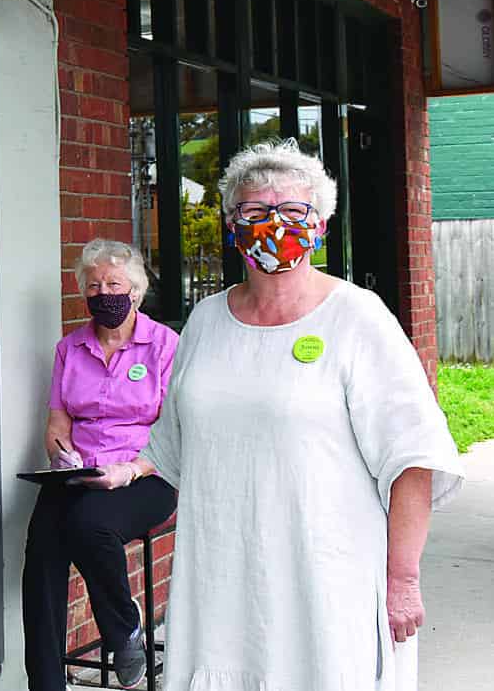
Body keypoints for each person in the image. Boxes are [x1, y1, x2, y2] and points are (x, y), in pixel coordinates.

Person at [141, 139, 463, 691]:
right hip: (221, 580)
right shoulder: (205, 322)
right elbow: (171, 448)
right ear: (230, 223)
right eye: (254, 211)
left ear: (320, 224)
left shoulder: (357, 318)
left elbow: (412, 456)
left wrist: (403, 578)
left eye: (292, 212)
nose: (274, 224)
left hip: (325, 580)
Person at [23, 238, 179, 691]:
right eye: (93, 285)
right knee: (43, 552)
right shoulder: (70, 348)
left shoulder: (165, 346)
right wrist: (61, 455)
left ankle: (123, 631)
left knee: (88, 524)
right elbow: (58, 419)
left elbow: (178, 429)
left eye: (114, 283)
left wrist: (129, 469)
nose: (103, 292)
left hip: (147, 472)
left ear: (136, 291)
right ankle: (46, 686)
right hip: (81, 471)